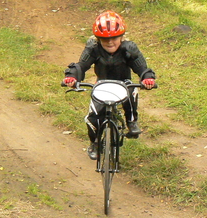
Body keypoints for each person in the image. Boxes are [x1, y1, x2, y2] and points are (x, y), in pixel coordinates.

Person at [62, 11, 156, 160]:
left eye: (114, 38)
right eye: (104, 38)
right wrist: (72, 77)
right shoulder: (93, 48)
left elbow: (142, 68)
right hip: (101, 84)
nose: (110, 42)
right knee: (93, 118)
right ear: (98, 39)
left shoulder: (129, 49)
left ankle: (131, 122)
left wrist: (147, 79)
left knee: (132, 90)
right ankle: (95, 143)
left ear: (122, 36)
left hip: (124, 84)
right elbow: (81, 65)